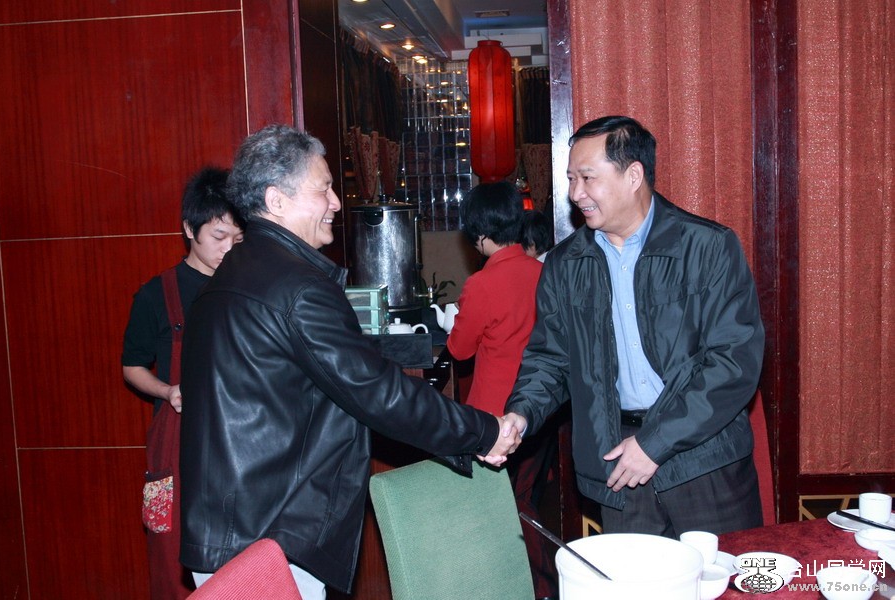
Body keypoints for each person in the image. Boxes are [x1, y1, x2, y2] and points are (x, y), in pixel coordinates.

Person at [178, 125, 521, 599]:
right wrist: (483, 431)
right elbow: (378, 393)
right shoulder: (296, 288)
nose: (337, 203)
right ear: (276, 200)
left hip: (228, 528)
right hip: (269, 538)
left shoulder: (227, 279)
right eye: (323, 189)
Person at [503, 115, 765, 538]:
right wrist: (521, 413)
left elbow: (733, 364)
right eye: (571, 179)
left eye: (587, 178)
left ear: (633, 176)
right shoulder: (564, 265)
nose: (575, 193)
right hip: (619, 460)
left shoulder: (708, 247)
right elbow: (550, 359)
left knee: (723, 573)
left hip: (705, 458)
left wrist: (655, 444)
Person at [121, 166, 244, 599]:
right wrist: (167, 391)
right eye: (218, 236)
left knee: (240, 563)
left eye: (237, 239)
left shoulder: (247, 288)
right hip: (175, 447)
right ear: (190, 229)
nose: (228, 249)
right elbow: (132, 366)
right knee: (172, 562)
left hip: (237, 444)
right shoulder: (158, 294)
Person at [445, 181, 557, 599]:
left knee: (495, 512)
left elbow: (459, 349)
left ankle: (512, 586)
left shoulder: (482, 284)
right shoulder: (544, 274)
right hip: (541, 411)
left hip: (493, 419)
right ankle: (540, 585)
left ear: (479, 235)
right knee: (525, 501)